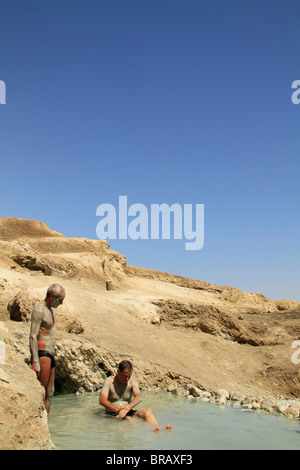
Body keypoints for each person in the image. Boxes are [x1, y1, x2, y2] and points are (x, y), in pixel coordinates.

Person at [29, 284, 65, 414]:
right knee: (41, 390)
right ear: (52, 297)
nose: (61, 303)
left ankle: (46, 423)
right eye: (60, 299)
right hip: (42, 353)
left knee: (50, 392)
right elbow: (33, 336)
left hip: (50, 353)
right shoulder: (39, 310)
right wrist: (35, 361)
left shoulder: (50, 310)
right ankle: (36, 419)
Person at [99, 360, 158, 425]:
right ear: (118, 371)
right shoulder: (109, 382)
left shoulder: (132, 381)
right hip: (113, 412)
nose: (127, 379)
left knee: (147, 411)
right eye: (125, 376)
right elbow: (102, 400)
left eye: (129, 376)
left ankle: (156, 429)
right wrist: (117, 410)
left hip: (127, 411)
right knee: (127, 419)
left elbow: (138, 397)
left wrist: (127, 407)